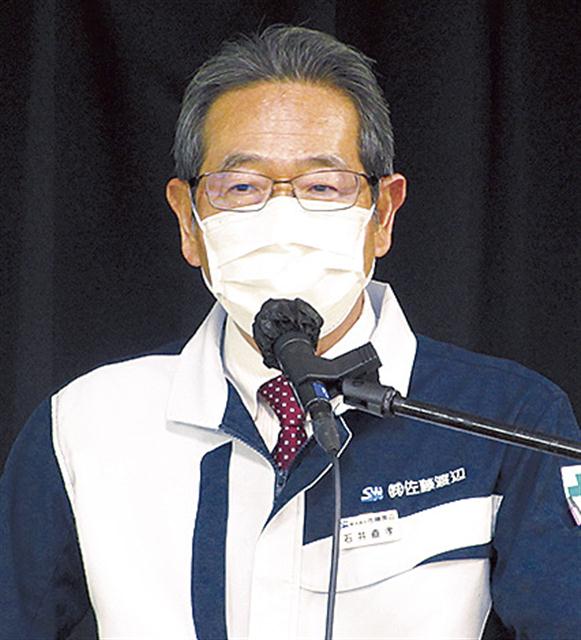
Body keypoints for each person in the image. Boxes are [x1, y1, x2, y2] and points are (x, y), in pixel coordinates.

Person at [1, 25, 579, 640]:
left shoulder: (508, 420)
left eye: (322, 186)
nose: (282, 217)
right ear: (189, 222)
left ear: (383, 214)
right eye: (242, 188)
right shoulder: (84, 424)